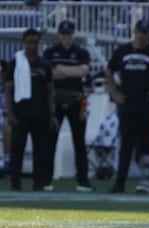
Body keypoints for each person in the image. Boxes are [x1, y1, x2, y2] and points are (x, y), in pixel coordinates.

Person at [106, 19, 149, 194]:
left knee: (146, 143)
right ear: (134, 32)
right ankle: (120, 181)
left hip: (146, 103)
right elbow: (109, 70)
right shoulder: (122, 51)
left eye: (145, 32)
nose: (142, 36)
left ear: (148, 34)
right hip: (127, 103)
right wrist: (114, 91)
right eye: (139, 32)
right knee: (126, 143)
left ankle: (146, 181)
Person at [43, 19, 93, 192]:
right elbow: (50, 74)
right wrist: (72, 71)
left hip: (76, 100)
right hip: (55, 100)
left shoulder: (80, 52)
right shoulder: (51, 52)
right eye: (63, 34)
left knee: (79, 142)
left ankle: (83, 181)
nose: (66, 37)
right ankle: (45, 180)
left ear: (73, 35)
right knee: (50, 141)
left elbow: (84, 71)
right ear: (59, 35)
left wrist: (60, 69)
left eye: (69, 34)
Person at [4, 28, 57, 192]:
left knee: (40, 150)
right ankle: (15, 182)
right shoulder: (15, 62)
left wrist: (52, 114)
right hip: (20, 114)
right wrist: (10, 113)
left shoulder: (44, 64)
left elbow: (50, 91)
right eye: (29, 42)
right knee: (17, 149)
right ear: (24, 43)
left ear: (39, 43)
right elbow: (8, 90)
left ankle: (38, 183)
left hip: (40, 114)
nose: (32, 45)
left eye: (35, 42)